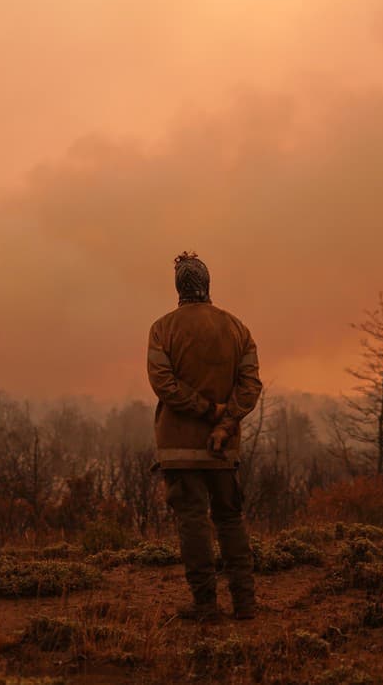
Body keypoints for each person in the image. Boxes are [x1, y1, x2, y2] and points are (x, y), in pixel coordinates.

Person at [147, 251, 263, 622]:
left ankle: (206, 605)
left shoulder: (162, 329)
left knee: (193, 522)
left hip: (178, 449)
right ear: (208, 283)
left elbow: (164, 384)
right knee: (230, 519)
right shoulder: (237, 329)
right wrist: (225, 423)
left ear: (178, 286)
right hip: (223, 449)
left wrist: (206, 410)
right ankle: (245, 604)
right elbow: (250, 386)